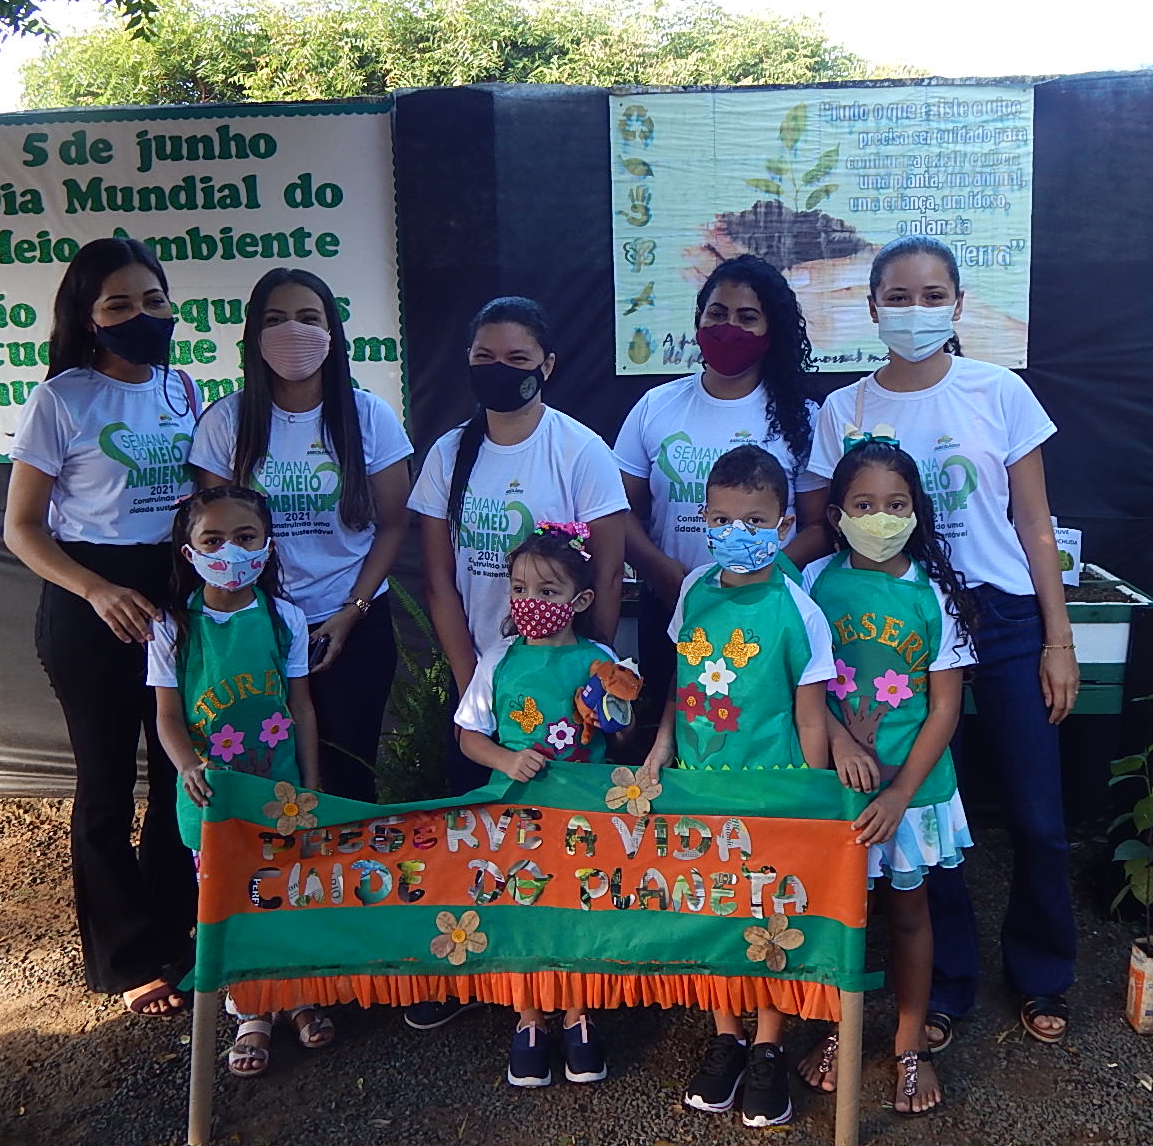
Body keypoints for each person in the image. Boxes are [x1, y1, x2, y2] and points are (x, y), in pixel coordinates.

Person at [801, 235, 1080, 1049]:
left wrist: (1057, 638)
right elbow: (821, 531)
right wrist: (742, 579)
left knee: (1037, 813)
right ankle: (947, 987)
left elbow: (1034, 522)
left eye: (932, 296)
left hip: (1004, 617)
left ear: (958, 305)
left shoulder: (999, 391)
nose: (915, 311)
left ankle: (1042, 973)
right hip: (896, 627)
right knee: (923, 803)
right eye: (898, 296)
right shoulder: (844, 411)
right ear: (872, 307)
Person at [405, 295, 629, 1031]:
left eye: (516, 359)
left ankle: (571, 980)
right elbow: (439, 581)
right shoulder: (448, 454)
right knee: (477, 834)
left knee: (564, 842)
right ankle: (475, 967)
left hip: (564, 689)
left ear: (548, 366)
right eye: (484, 357)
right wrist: (475, 679)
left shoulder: (580, 450)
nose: (498, 370)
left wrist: (583, 671)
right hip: (487, 681)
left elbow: (606, 577)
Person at [2, 237, 198, 1016]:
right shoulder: (62, 399)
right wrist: (96, 590)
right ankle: (125, 959)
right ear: (87, 317)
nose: (141, 315)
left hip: (174, 599)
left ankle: (177, 935)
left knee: (179, 772)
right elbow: (21, 528)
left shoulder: (184, 389)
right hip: (92, 604)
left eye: (153, 300)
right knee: (108, 785)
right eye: (119, 304)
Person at [640, 444, 835, 1129]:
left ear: (783, 526)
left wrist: (815, 805)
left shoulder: (798, 610)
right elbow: (679, 684)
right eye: (722, 519)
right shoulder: (694, 590)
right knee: (716, 913)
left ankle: (768, 1046)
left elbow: (811, 718)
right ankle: (726, 1035)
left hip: (773, 794)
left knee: (768, 919)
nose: (736, 533)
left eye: (753, 521)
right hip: (698, 788)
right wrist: (660, 748)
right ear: (704, 518)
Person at [796, 433, 976, 1114]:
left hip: (913, 792)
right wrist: (842, 740)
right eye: (864, 504)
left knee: (908, 915)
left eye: (895, 504)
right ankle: (839, 1032)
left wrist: (901, 792)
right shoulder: (813, 582)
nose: (880, 517)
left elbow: (946, 707)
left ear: (916, 511)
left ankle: (909, 1045)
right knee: (840, 918)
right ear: (836, 513)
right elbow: (798, 683)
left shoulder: (935, 594)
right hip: (835, 790)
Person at [190, 268, 412, 802]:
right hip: (254, 625)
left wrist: (351, 612)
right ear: (253, 335)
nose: (293, 331)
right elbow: (211, 535)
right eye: (275, 319)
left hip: (351, 623)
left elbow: (394, 524)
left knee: (348, 777)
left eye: (308, 318)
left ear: (331, 332)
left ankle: (344, 859)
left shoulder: (370, 416)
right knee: (259, 769)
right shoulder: (225, 421)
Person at [147, 484, 331, 1076]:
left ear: (267, 545)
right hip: (212, 801)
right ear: (190, 552)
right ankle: (251, 1011)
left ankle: (297, 994)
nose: (231, 551)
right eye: (214, 540)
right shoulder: (172, 627)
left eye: (246, 537)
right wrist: (188, 766)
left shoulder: (285, 619)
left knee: (285, 892)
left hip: (280, 795)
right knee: (231, 902)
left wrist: (312, 784)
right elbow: (168, 717)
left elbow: (301, 707)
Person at [614, 255, 825, 712]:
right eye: (717, 313)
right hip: (671, 606)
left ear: (771, 330)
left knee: (759, 731)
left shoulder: (802, 419)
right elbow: (618, 510)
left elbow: (819, 524)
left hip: (769, 611)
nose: (729, 327)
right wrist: (660, 571)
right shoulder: (655, 407)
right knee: (677, 730)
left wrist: (761, 576)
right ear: (698, 320)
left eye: (747, 317)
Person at [453, 523, 620, 1088]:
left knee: (578, 905)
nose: (531, 602)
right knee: (523, 904)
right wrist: (505, 760)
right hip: (516, 816)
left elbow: (620, 730)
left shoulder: (600, 659)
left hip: (584, 816)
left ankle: (577, 1012)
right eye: (521, 589)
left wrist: (613, 712)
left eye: (548, 592)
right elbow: (468, 736)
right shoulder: (498, 660)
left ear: (580, 600)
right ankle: (528, 1016)